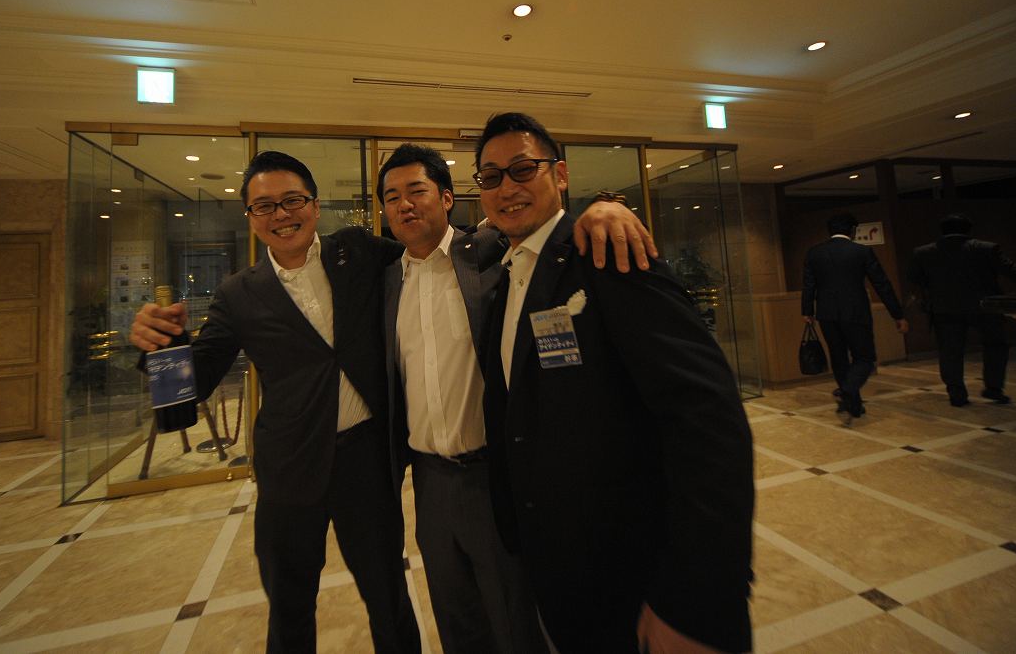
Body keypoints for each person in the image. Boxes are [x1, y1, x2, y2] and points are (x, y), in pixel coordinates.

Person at [130, 149, 654, 654]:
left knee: (389, 601)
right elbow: (192, 387)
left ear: (314, 204)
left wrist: (601, 206)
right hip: (289, 471)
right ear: (250, 216)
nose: (281, 215)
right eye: (264, 206)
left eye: (292, 201)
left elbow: (461, 239)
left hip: (366, 465)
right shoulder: (237, 293)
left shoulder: (357, 253)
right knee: (289, 609)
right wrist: (160, 347)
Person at [473, 112, 755, 654]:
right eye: (491, 176)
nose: (506, 187)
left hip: (638, 579)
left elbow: (708, 421)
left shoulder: (609, 254)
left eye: (522, 169)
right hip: (564, 570)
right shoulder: (506, 277)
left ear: (559, 175)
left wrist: (693, 600)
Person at [378, 144, 547, 654]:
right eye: (391, 197)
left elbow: (541, 227)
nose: (404, 205)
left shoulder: (489, 255)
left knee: (514, 620)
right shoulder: (385, 281)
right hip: (429, 485)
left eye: (417, 191)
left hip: (491, 475)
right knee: (457, 623)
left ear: (447, 198)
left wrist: (605, 209)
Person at [907, 213, 1016, 406]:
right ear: (968, 230)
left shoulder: (923, 252)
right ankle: (993, 388)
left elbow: (914, 279)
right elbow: (1015, 272)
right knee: (995, 346)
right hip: (984, 306)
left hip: (945, 309)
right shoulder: (985, 248)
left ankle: (956, 393)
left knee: (950, 352)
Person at [801, 213, 909, 425]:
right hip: (856, 312)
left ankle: (854, 405)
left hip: (827, 314)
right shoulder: (861, 251)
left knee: (839, 358)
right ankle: (848, 390)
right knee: (865, 358)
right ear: (852, 230)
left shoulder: (814, 253)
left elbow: (808, 285)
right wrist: (897, 314)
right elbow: (881, 284)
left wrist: (807, 312)